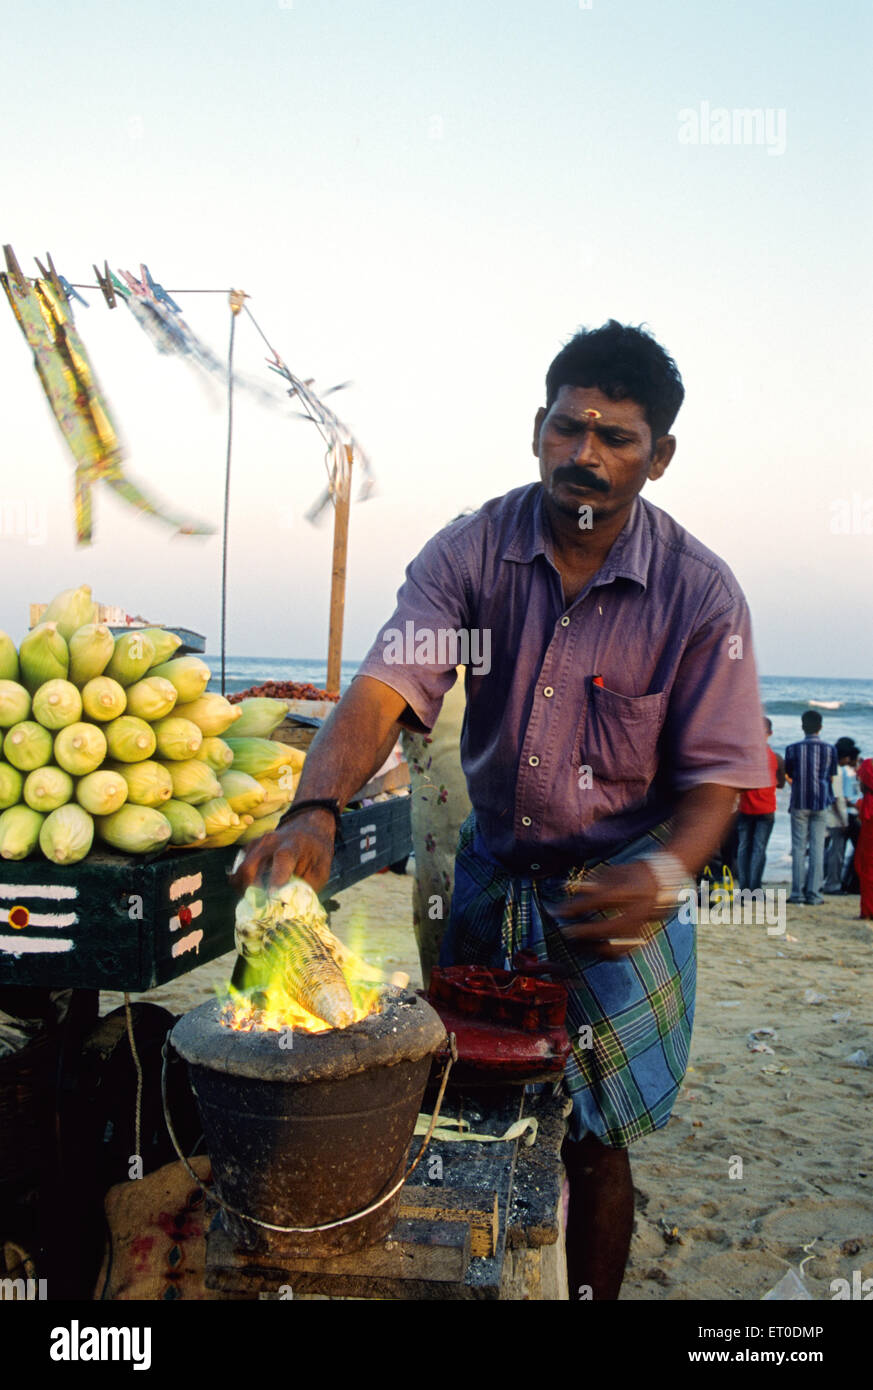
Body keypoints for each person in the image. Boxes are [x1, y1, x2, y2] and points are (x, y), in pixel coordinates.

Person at [234, 320, 769, 1300]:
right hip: (491, 872)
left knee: (596, 1141)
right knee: (464, 1102)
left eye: (617, 438)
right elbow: (383, 689)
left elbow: (719, 783)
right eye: (571, 429)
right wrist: (313, 808)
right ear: (538, 428)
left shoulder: (700, 594)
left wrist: (661, 875)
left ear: (661, 456)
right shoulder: (473, 549)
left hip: (620, 898)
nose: (587, 456)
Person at [784, 711, 838, 905]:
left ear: (802, 726)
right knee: (817, 848)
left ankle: (797, 893)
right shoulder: (830, 750)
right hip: (820, 802)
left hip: (799, 802)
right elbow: (831, 777)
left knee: (798, 848)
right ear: (820, 727)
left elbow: (790, 773)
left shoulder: (792, 749)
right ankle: (814, 894)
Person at [736, 716, 785, 890]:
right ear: (770, 733)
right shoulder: (776, 757)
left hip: (745, 808)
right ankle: (755, 888)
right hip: (766, 808)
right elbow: (781, 784)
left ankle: (743, 887)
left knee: (743, 848)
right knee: (759, 849)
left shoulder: (744, 756)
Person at [823, 738, 860, 894]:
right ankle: (835, 884)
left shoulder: (833, 768)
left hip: (835, 815)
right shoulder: (839, 771)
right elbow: (839, 798)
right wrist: (843, 820)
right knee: (837, 852)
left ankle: (832, 881)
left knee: (834, 851)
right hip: (841, 817)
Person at [854, 753, 873, 920]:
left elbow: (862, 785)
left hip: (869, 835)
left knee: (867, 870)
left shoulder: (868, 764)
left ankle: (867, 910)